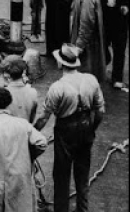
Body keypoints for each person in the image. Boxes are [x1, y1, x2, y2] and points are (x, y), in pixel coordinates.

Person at [34, 44, 105, 212]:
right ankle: (83, 209)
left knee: (61, 175)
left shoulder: (57, 88)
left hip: (65, 131)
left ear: (60, 64)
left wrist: (32, 132)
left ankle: (61, 209)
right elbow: (100, 110)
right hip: (87, 128)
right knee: (82, 173)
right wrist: (92, 128)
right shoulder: (91, 80)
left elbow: (44, 117)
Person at [69, 0, 106, 81]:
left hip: (87, 46)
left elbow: (86, 24)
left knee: (84, 77)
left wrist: (78, 47)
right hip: (90, 42)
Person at [98, 0, 129, 89]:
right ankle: (101, 70)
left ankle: (117, 78)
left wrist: (127, 7)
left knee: (119, 47)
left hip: (120, 17)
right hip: (106, 13)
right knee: (102, 43)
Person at [0, 56, 38, 123]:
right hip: (24, 130)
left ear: (7, 75)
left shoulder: (0, 94)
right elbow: (31, 119)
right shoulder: (33, 92)